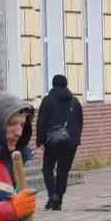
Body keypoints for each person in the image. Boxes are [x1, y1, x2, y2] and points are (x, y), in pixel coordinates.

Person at [35, 73, 84, 210]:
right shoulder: (75, 101)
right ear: (66, 84)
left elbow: (41, 122)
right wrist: (75, 138)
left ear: (53, 84)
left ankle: (52, 195)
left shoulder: (47, 100)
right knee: (63, 171)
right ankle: (59, 199)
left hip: (52, 141)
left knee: (47, 168)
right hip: (71, 142)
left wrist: (40, 141)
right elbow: (79, 122)